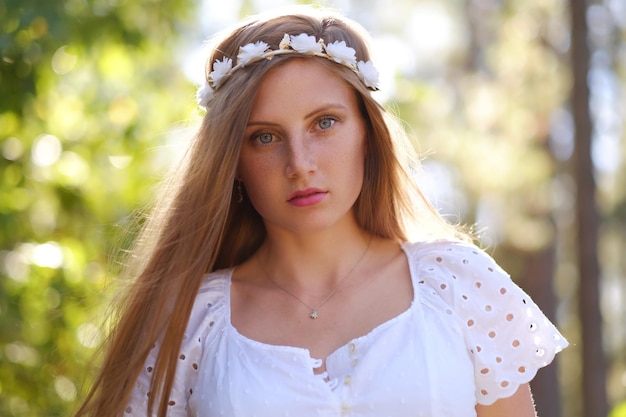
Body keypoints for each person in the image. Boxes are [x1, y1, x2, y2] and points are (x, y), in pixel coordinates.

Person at [74, 5, 568, 417]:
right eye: (264, 137)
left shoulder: (457, 284)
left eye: (324, 123)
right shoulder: (189, 321)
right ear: (234, 163)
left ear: (366, 135)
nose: (300, 164)